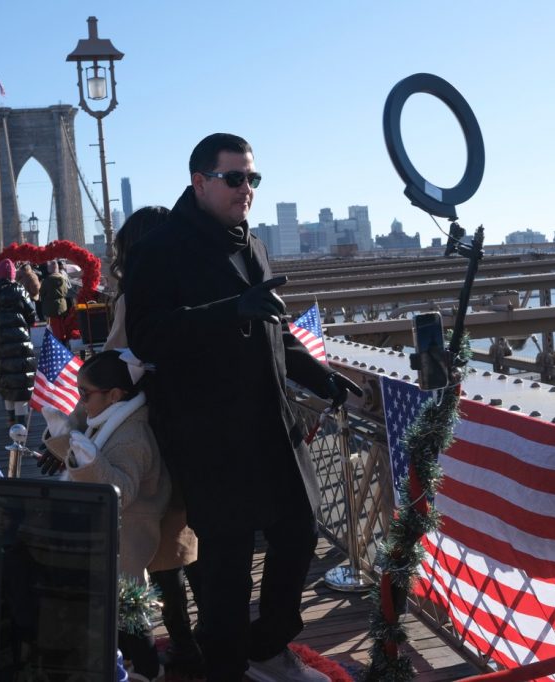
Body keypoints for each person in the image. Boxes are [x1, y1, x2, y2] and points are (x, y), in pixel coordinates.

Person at [124, 133, 362, 682]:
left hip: (272, 425)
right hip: (210, 436)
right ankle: (228, 668)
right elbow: (146, 335)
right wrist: (230, 310)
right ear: (200, 181)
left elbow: (275, 331)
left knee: (300, 532)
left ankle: (267, 643)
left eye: (253, 179)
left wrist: (321, 377)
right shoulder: (159, 250)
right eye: (235, 178)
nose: (247, 189)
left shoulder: (250, 243)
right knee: (228, 566)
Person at [104, 206, 205, 673]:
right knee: (195, 542)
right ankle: (210, 640)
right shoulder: (195, 284)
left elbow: (116, 364)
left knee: (162, 549)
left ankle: (180, 647)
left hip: (153, 435)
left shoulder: (135, 298)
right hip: (199, 429)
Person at [43, 350, 170, 682]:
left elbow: (120, 490)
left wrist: (85, 460)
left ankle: (147, 671)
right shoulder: (112, 418)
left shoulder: (132, 437)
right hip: (111, 539)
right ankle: (128, 663)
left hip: (126, 543)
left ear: (114, 395)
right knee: (114, 614)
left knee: (129, 614)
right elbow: (89, 460)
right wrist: (63, 439)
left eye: (84, 394)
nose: (80, 400)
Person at [0, 258, 37, 425]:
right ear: (12, 275)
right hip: (20, 345)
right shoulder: (19, 290)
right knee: (20, 386)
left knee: (7, 384)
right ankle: (21, 425)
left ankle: (11, 420)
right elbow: (31, 316)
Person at [40, 260, 69, 341]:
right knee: (62, 325)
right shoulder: (62, 278)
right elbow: (66, 291)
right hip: (62, 305)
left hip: (51, 306)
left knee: (54, 326)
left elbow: (42, 293)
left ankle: (58, 342)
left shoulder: (47, 280)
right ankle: (63, 339)